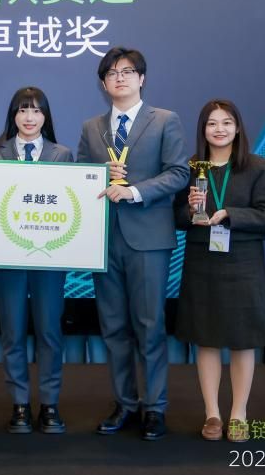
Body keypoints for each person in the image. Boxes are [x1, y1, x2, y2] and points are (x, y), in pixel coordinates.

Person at [76, 47, 189, 440]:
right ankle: (125, 403)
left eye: (127, 71)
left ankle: (154, 407)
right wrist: (99, 173)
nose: (119, 78)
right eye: (111, 73)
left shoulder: (164, 120)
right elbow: (79, 177)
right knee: (113, 327)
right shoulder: (92, 127)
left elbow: (179, 173)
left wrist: (135, 191)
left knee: (149, 324)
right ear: (103, 83)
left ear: (142, 78)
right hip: (104, 240)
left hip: (148, 239)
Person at [173, 100, 265, 442]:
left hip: (243, 263)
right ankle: (212, 414)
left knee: (242, 340)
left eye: (226, 122)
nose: (219, 129)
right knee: (205, 339)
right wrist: (190, 211)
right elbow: (176, 217)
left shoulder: (256, 167)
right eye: (212, 123)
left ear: (237, 128)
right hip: (201, 261)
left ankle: (238, 414)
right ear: (202, 129)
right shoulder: (191, 167)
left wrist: (231, 214)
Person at [0, 87, 73, 434]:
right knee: (13, 332)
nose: (29, 117)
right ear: (13, 116)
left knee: (49, 331)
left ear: (45, 117)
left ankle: (49, 404)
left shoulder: (62, 155)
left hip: (49, 259)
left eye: (36, 111)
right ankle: (19, 404)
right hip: (7, 260)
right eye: (23, 110)